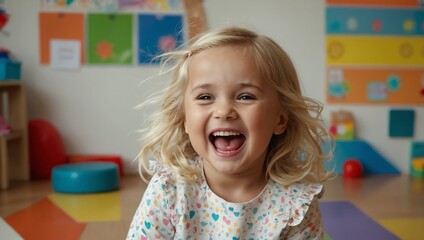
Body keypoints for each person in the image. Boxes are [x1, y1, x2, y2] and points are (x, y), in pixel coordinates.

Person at [127, 26, 333, 240]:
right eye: (205, 97)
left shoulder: (295, 205)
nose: (224, 111)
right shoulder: (169, 191)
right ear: (184, 119)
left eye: (245, 97)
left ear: (279, 120)